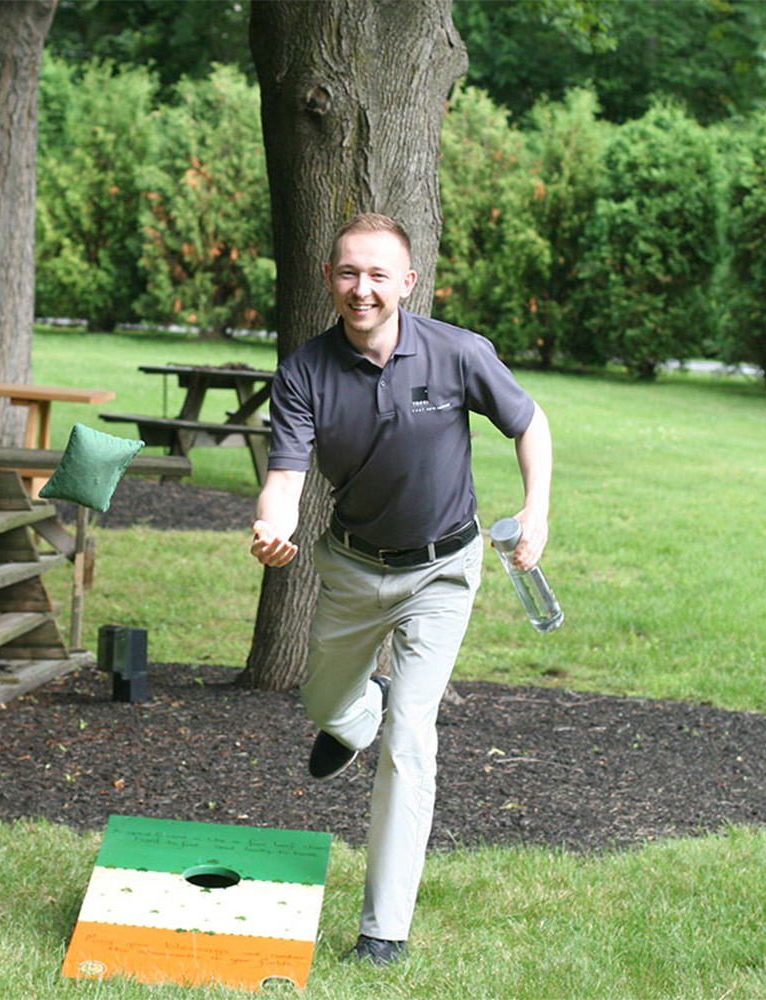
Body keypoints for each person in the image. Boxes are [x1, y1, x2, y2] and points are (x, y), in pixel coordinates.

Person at [249, 213, 553, 966]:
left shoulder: (456, 353)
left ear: (407, 283)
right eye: (349, 273)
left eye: (379, 274)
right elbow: (285, 478)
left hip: (443, 570)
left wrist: (537, 509)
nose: (362, 288)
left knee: (411, 743)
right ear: (330, 279)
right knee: (323, 702)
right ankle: (357, 714)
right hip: (353, 567)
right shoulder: (304, 371)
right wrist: (270, 525)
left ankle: (383, 931)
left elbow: (529, 421)